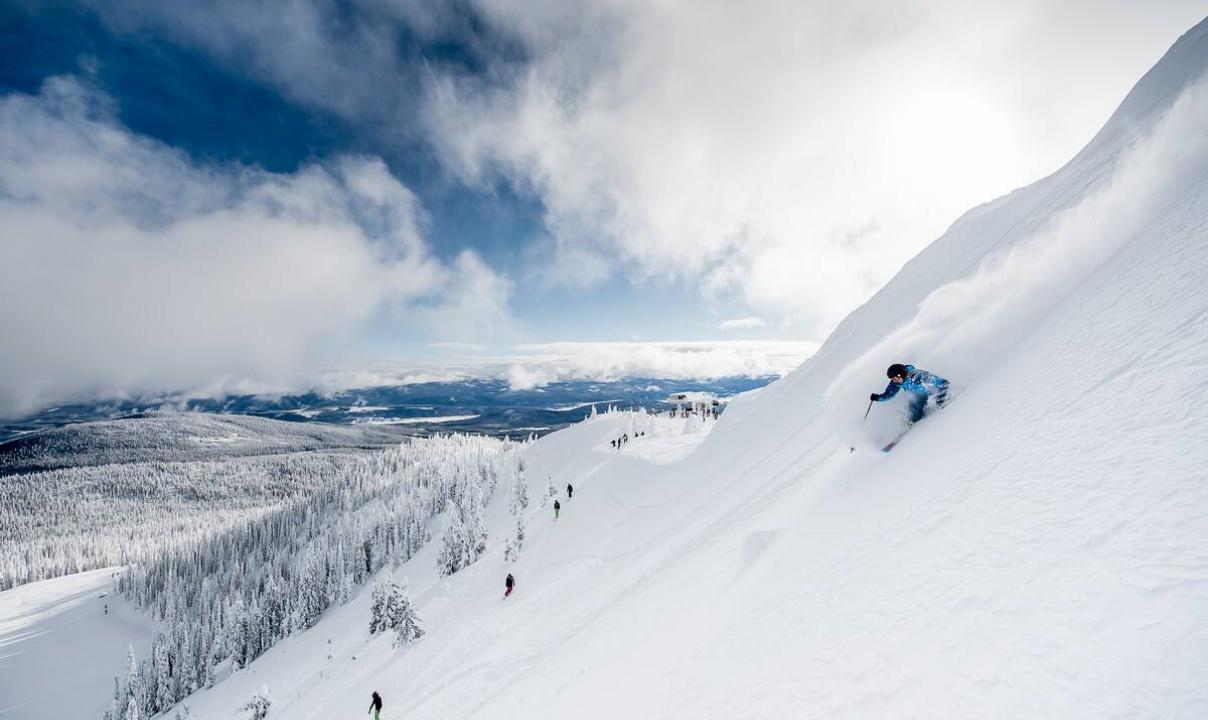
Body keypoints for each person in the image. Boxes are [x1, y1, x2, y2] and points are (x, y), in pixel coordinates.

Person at [870, 363, 949, 423]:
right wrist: (878, 397)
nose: (893, 381)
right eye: (892, 379)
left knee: (927, 398)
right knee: (914, 404)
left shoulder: (917, 376)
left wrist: (941, 395)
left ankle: (937, 404)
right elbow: (889, 393)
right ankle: (914, 422)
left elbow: (940, 382)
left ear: (900, 375)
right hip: (919, 395)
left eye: (894, 379)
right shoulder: (896, 383)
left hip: (932, 392)